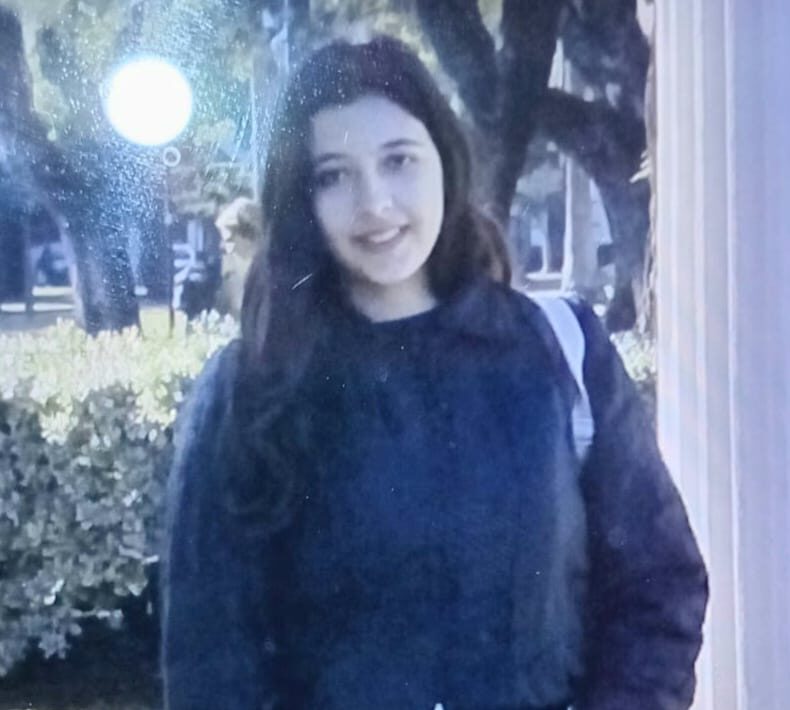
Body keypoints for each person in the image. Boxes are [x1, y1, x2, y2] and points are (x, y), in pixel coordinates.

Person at [161, 36, 707, 710]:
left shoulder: (561, 352)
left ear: (445, 161)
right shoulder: (250, 391)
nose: (375, 203)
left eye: (398, 161)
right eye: (334, 175)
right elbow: (211, 665)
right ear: (303, 199)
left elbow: (658, 587)